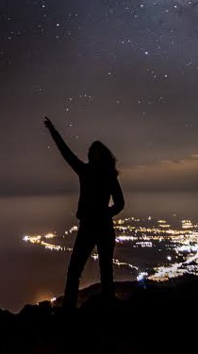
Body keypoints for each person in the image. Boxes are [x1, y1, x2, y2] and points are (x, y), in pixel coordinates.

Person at [44, 116, 124, 310]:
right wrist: (53, 132)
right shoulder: (99, 173)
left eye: (94, 151)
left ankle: (74, 309)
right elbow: (66, 153)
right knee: (94, 270)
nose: (92, 154)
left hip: (93, 225)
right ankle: (102, 306)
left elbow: (121, 203)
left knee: (86, 271)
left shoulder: (94, 172)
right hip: (98, 225)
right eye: (92, 151)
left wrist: (104, 214)